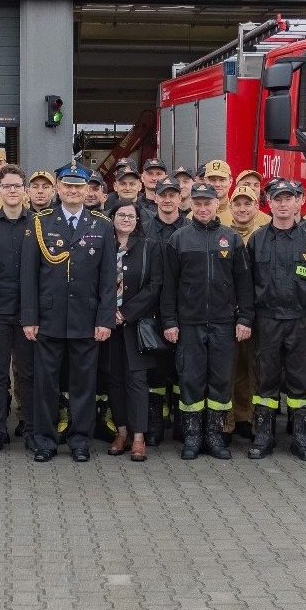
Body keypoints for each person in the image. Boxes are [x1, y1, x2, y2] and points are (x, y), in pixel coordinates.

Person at [21, 164, 115, 463]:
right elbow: (29, 276)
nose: (73, 191)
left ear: (88, 190)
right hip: (48, 319)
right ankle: (46, 440)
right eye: (67, 186)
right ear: (58, 189)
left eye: (79, 187)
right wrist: (30, 317)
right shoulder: (39, 222)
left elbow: (108, 278)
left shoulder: (102, 224)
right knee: (46, 383)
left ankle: (79, 440)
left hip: (86, 320)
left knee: (83, 384)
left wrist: (104, 319)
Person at [161, 181, 254, 461]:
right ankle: (192, 437)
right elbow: (169, 285)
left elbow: (244, 283)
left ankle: (214, 435)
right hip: (189, 323)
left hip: (224, 324)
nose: (203, 208)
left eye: (208, 203)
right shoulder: (178, 239)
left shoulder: (232, 239)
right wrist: (169, 321)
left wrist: (245, 317)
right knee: (190, 379)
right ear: (191, 205)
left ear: (217, 205)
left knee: (220, 381)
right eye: (198, 203)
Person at [245, 180, 306, 461]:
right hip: (267, 321)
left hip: (301, 321)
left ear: (299, 202)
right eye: (278, 199)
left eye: (289, 198)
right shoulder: (257, 239)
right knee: (266, 381)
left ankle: (302, 438)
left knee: (301, 382)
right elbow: (248, 283)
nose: (283, 204)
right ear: (269, 202)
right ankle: (263, 436)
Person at [0, 164, 34, 454]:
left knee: (28, 374)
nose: (12, 191)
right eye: (7, 186)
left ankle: (32, 430)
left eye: (17, 186)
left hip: (28, 314)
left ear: (24, 191)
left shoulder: (37, 223)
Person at [100, 198, 161, 462]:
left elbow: (154, 286)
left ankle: (138, 438)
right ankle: (121, 433)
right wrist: (107, 314)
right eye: (121, 215)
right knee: (114, 379)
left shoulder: (149, 247)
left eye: (131, 215)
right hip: (108, 326)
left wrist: (125, 313)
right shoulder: (103, 246)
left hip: (136, 324)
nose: (126, 219)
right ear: (112, 218)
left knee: (137, 381)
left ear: (138, 220)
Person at [141, 177, 188, 445]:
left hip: (185, 310)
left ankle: (182, 427)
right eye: (163, 195)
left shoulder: (191, 228)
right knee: (155, 372)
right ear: (155, 198)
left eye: (173, 194)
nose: (168, 199)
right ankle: (155, 426)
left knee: (183, 370)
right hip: (152, 310)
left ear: (180, 198)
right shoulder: (144, 229)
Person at [224, 186, 269, 440]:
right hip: (227, 313)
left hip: (257, 314)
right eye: (237, 204)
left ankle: (248, 418)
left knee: (252, 369)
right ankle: (228, 421)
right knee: (229, 371)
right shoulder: (222, 234)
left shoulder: (265, 235)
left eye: (247, 204)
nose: (242, 209)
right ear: (230, 207)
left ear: (256, 207)